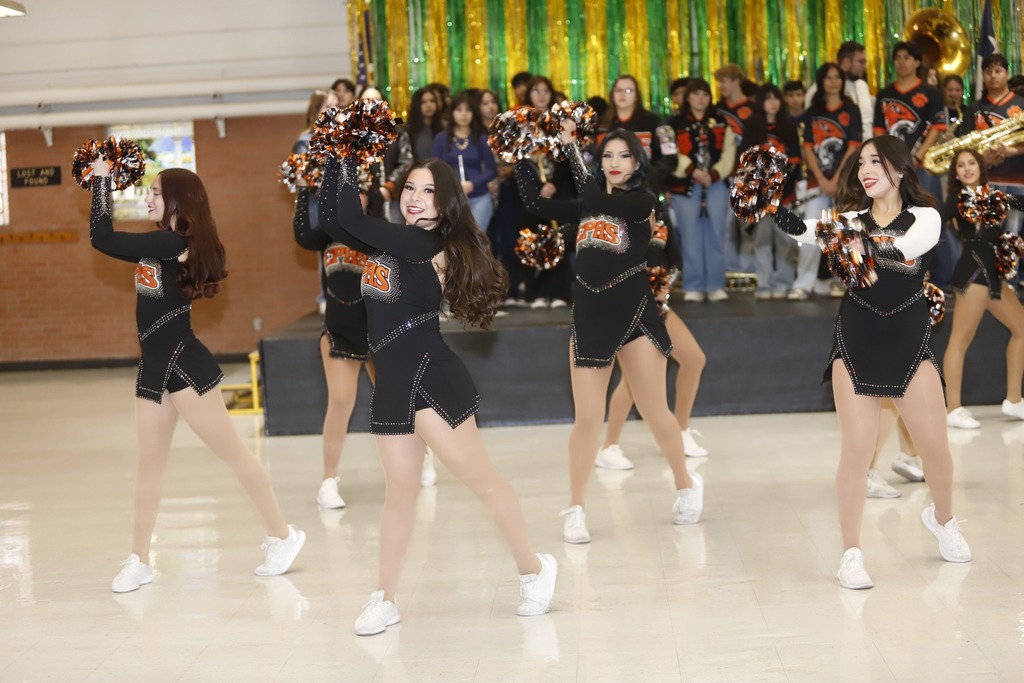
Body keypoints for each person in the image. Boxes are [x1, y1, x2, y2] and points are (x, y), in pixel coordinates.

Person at [317, 151, 556, 635]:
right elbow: (331, 217)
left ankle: (534, 569)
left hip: (430, 379)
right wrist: (336, 157)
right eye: (409, 188)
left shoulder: (423, 243)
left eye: (428, 191)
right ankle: (385, 598)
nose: (415, 198)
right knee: (399, 495)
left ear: (445, 202)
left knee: (482, 481)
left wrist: (344, 150)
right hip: (390, 386)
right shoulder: (391, 242)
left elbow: (345, 215)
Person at [88, 163, 305, 593]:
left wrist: (101, 182)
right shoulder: (162, 245)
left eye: (154, 192)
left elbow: (102, 237)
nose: (147, 198)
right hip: (153, 367)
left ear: (177, 202)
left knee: (235, 455)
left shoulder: (173, 243)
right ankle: (139, 559)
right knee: (148, 468)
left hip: (185, 364)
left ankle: (283, 535)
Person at [767, 135, 972, 589]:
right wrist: (771, 207)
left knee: (935, 447)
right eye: (860, 163)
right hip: (857, 339)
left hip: (909, 341)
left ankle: (944, 519)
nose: (865, 170)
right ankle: (851, 553)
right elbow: (808, 231)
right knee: (856, 452)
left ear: (898, 168)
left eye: (875, 161)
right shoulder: (851, 219)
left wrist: (851, 242)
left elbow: (903, 248)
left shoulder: (926, 217)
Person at [517, 127, 705, 544]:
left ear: (636, 164)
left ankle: (685, 484)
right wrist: (520, 158)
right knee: (586, 420)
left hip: (635, 312)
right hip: (589, 316)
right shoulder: (586, 204)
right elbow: (534, 204)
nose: (614, 163)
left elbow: (598, 199)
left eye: (623, 156)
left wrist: (569, 146)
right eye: (607, 156)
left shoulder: (640, 202)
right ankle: (577, 507)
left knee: (657, 412)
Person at [597, 199, 709, 465]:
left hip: (658, 307)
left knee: (693, 360)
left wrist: (662, 289)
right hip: (630, 309)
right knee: (632, 382)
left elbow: (673, 264)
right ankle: (609, 447)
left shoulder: (660, 228)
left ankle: (680, 430)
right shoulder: (619, 231)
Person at [292, 169, 377, 508]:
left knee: (395, 401)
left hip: (377, 328)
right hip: (339, 330)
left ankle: (421, 457)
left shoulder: (378, 236)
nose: (354, 200)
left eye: (360, 196)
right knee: (341, 402)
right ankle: (328, 481)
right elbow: (301, 234)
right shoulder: (326, 236)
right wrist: (301, 193)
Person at [941, 148, 1024, 429]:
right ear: (955, 173)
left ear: (980, 166)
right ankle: (953, 409)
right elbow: (934, 220)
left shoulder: (995, 196)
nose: (966, 169)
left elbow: (1020, 201)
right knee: (959, 341)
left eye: (971, 163)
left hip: (994, 273)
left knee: (1022, 330)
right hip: (973, 270)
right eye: (960, 165)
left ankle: (1014, 400)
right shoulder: (958, 199)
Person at [660, 77, 736, 302]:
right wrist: (692, 170)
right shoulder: (673, 123)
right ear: (687, 97)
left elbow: (729, 153)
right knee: (690, 235)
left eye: (705, 94)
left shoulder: (721, 121)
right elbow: (669, 152)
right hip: (685, 184)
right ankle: (692, 284)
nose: (700, 99)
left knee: (716, 234)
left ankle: (715, 284)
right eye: (695, 94)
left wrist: (713, 174)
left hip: (715, 184)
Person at [791, 63, 862, 301]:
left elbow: (854, 145)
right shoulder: (814, 111)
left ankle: (841, 281)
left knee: (842, 232)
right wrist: (822, 178)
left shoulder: (851, 109)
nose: (832, 81)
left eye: (837, 77)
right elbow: (808, 146)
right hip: (817, 182)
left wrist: (836, 179)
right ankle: (803, 283)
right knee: (811, 230)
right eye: (828, 77)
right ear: (821, 82)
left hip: (844, 182)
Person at [741, 83, 802, 300]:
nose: (773, 102)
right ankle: (764, 285)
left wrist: (780, 189)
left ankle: (784, 283)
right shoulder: (752, 129)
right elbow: (747, 164)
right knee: (762, 240)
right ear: (761, 103)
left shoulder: (789, 127)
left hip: (785, 195)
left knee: (785, 241)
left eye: (776, 97)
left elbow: (795, 162)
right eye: (768, 98)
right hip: (761, 197)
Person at [957, 53, 1024, 234]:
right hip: (984, 182)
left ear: (1007, 74)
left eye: (998, 71)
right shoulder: (974, 107)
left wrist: (1012, 151)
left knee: (1011, 241)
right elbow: (963, 146)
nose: (993, 76)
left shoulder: (1021, 104)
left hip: (1017, 182)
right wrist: (981, 161)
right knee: (985, 240)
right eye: (988, 72)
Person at [430, 91, 498, 231]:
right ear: (452, 113)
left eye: (468, 110)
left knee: (475, 240)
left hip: (479, 196)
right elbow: (434, 169)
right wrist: (453, 185)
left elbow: (492, 170)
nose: (464, 114)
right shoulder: (441, 138)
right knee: (452, 241)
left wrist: (472, 184)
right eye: (459, 110)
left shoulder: (481, 138)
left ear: (474, 114)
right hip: (450, 199)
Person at [715, 64, 755, 273]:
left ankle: (750, 270)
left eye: (725, 81)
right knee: (725, 225)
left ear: (737, 81)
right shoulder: (718, 110)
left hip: (747, 174)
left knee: (748, 224)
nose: (721, 86)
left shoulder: (752, 109)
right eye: (719, 82)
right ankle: (729, 269)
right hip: (724, 174)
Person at [805, 41, 874, 142]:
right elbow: (810, 124)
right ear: (846, 62)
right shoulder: (818, 89)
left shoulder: (862, 85)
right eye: (861, 62)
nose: (864, 66)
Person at [599, 75, 664, 163]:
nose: (622, 94)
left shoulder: (652, 121)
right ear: (612, 94)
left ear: (636, 96)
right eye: (618, 90)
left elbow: (665, 157)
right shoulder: (601, 124)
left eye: (628, 90)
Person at [406, 86, 444, 162]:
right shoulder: (407, 131)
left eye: (432, 101)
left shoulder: (445, 128)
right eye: (423, 102)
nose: (429, 105)